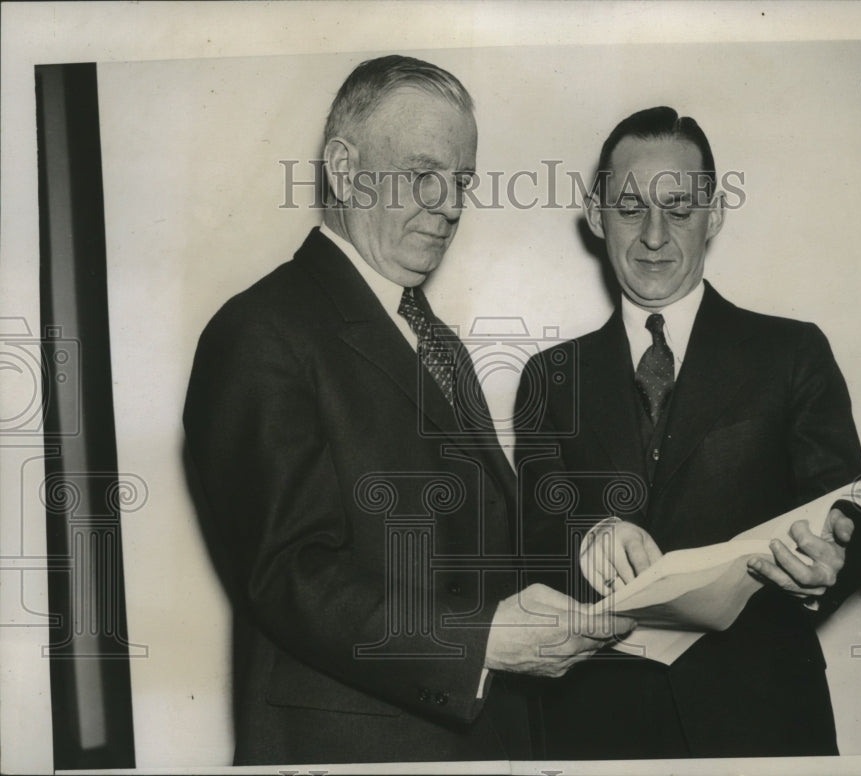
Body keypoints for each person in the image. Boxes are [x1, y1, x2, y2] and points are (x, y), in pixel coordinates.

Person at [183, 55, 633, 766]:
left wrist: (592, 548)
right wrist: (479, 642)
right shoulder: (260, 331)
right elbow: (291, 575)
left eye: (460, 182)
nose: (450, 205)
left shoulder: (435, 338)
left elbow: (484, 543)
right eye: (423, 174)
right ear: (344, 167)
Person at [515, 106, 861, 759]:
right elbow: (532, 527)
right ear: (596, 217)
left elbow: (852, 508)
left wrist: (837, 559)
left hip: (764, 722)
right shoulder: (550, 376)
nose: (654, 235)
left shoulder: (792, 353)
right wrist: (590, 534)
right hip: (594, 728)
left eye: (679, 210)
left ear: (713, 216)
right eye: (630, 208)